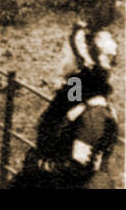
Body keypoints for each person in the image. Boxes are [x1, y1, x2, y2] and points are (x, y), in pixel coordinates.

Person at [9, 22, 118, 189]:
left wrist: (38, 165)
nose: (61, 58)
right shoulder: (74, 94)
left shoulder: (95, 111)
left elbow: (77, 170)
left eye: (67, 54)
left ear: (82, 63)